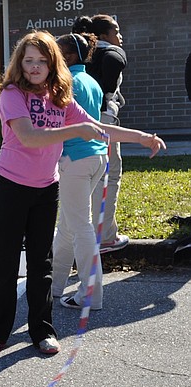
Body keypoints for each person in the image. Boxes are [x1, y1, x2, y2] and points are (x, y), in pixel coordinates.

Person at [0, 31, 164, 357]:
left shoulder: (59, 96)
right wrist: (76, 130)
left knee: (41, 264)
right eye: (29, 60)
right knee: (6, 263)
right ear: (19, 63)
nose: (35, 67)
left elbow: (99, 127)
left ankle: (42, 330)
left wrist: (143, 137)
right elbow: (30, 137)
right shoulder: (12, 94)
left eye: (42, 60)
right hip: (10, 187)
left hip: (46, 188)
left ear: (53, 64)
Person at [51, 33, 107, 311]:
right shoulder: (91, 80)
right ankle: (54, 286)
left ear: (68, 55)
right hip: (96, 157)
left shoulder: (67, 82)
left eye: (56, 51)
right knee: (68, 227)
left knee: (79, 227)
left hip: (75, 159)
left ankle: (90, 295)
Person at [73, 15, 128, 254]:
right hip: (103, 120)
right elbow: (117, 63)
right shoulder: (111, 55)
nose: (120, 36)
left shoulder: (83, 57)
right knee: (108, 175)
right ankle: (105, 236)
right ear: (103, 36)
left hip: (77, 123)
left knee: (83, 178)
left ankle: (84, 234)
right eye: (116, 31)